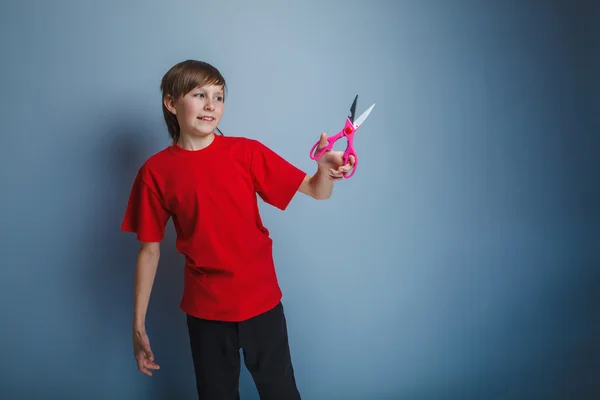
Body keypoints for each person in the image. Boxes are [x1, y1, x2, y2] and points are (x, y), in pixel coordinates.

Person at [121, 59, 355, 399]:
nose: (211, 105)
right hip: (206, 311)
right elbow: (149, 250)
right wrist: (137, 324)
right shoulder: (155, 171)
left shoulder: (245, 152)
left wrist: (324, 169)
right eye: (199, 94)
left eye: (219, 96)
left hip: (261, 302)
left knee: (281, 392)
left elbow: (318, 191)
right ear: (171, 103)